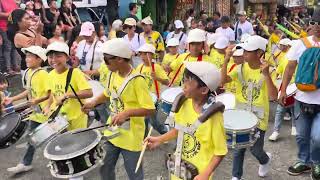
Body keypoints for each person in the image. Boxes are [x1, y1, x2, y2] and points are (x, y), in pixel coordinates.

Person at [82, 38, 156, 180]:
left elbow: (150, 109)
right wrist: (93, 102)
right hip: (113, 130)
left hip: (131, 136)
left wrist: (127, 113)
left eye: (107, 59)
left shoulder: (137, 80)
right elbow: (108, 93)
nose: (104, 62)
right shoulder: (111, 74)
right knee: (105, 167)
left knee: (134, 174)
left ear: (120, 59)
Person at [146, 61, 228, 180]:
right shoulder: (184, 104)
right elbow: (178, 130)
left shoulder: (214, 116)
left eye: (188, 83)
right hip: (180, 167)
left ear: (204, 90)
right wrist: (159, 139)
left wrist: (206, 174)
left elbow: (220, 151)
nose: (183, 86)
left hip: (199, 172)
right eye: (183, 81)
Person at [221, 35, 278, 180]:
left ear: (259, 53)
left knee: (255, 149)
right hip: (241, 116)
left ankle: (265, 160)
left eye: (248, 51)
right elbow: (222, 81)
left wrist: (266, 75)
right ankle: (236, 177)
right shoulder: (239, 68)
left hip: (258, 118)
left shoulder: (269, 70)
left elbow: (273, 96)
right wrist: (226, 60)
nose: (244, 53)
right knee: (238, 148)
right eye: (244, 50)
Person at [279, 7, 320, 179]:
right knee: (302, 136)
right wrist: (283, 89)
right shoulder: (300, 43)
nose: (317, 26)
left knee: (317, 137)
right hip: (301, 98)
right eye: (314, 22)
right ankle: (304, 161)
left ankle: (316, 163)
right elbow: (289, 68)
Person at [6, 46, 50, 174]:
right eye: (27, 56)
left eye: (30, 56)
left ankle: (59, 160)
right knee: (32, 138)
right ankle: (25, 163)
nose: (27, 59)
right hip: (36, 114)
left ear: (39, 59)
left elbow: (50, 94)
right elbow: (28, 90)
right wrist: (12, 99)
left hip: (47, 114)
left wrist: (37, 100)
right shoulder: (29, 72)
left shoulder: (43, 74)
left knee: (50, 138)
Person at [136, 43, 169, 135]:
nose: (143, 56)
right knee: (144, 120)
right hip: (143, 98)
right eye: (141, 54)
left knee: (154, 122)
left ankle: (165, 132)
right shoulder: (140, 67)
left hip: (154, 100)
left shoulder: (157, 68)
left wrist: (157, 78)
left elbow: (167, 82)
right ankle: (144, 138)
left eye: (146, 54)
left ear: (152, 55)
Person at [269, 38, 296, 141]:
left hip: (295, 86)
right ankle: (276, 131)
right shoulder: (285, 57)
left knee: (293, 108)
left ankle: (294, 127)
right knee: (281, 109)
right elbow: (279, 70)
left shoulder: (299, 58)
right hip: (286, 85)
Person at [0, 0, 19, 74]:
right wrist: (10, 14)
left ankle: (15, 65)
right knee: (8, 47)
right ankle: (8, 68)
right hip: (3, 26)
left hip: (12, 26)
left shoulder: (12, 1)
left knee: (14, 46)